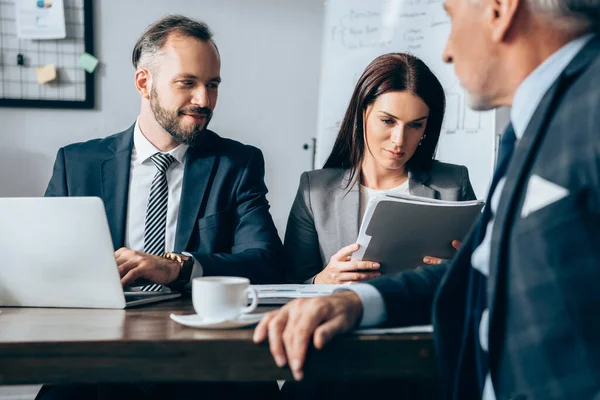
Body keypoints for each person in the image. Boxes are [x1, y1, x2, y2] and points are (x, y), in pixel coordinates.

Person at [255, 0, 600, 398]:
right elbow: (482, 272)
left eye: (451, 16)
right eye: (387, 121)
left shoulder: (584, 106)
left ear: (499, 10)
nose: (448, 51)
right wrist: (352, 299)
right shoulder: (524, 130)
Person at [38, 15, 281, 400]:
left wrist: (177, 267)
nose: (204, 100)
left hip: (206, 362)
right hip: (99, 358)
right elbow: (44, 266)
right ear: (143, 82)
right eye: (187, 83)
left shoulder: (237, 164)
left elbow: (266, 262)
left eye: (212, 85)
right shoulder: (76, 163)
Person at [284, 53, 475, 285]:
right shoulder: (314, 191)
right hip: (345, 319)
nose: (399, 139)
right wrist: (321, 280)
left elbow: (488, 274)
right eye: (388, 121)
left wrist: (461, 271)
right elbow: (289, 284)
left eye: (415, 125)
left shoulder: (454, 185)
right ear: (362, 113)